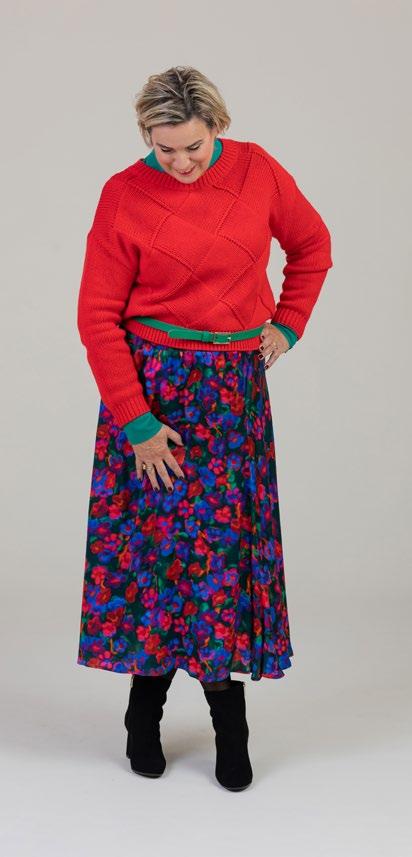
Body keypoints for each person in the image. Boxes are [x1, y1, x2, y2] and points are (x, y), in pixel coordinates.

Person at [76, 65, 333, 791]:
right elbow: (97, 316)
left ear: (217, 127)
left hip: (232, 394)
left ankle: (230, 724)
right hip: (151, 392)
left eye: (193, 146)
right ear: (146, 136)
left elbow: (312, 246)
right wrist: (138, 424)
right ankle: (143, 712)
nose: (182, 162)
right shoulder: (124, 194)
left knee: (221, 556)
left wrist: (287, 323)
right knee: (155, 558)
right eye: (166, 149)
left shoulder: (258, 171)